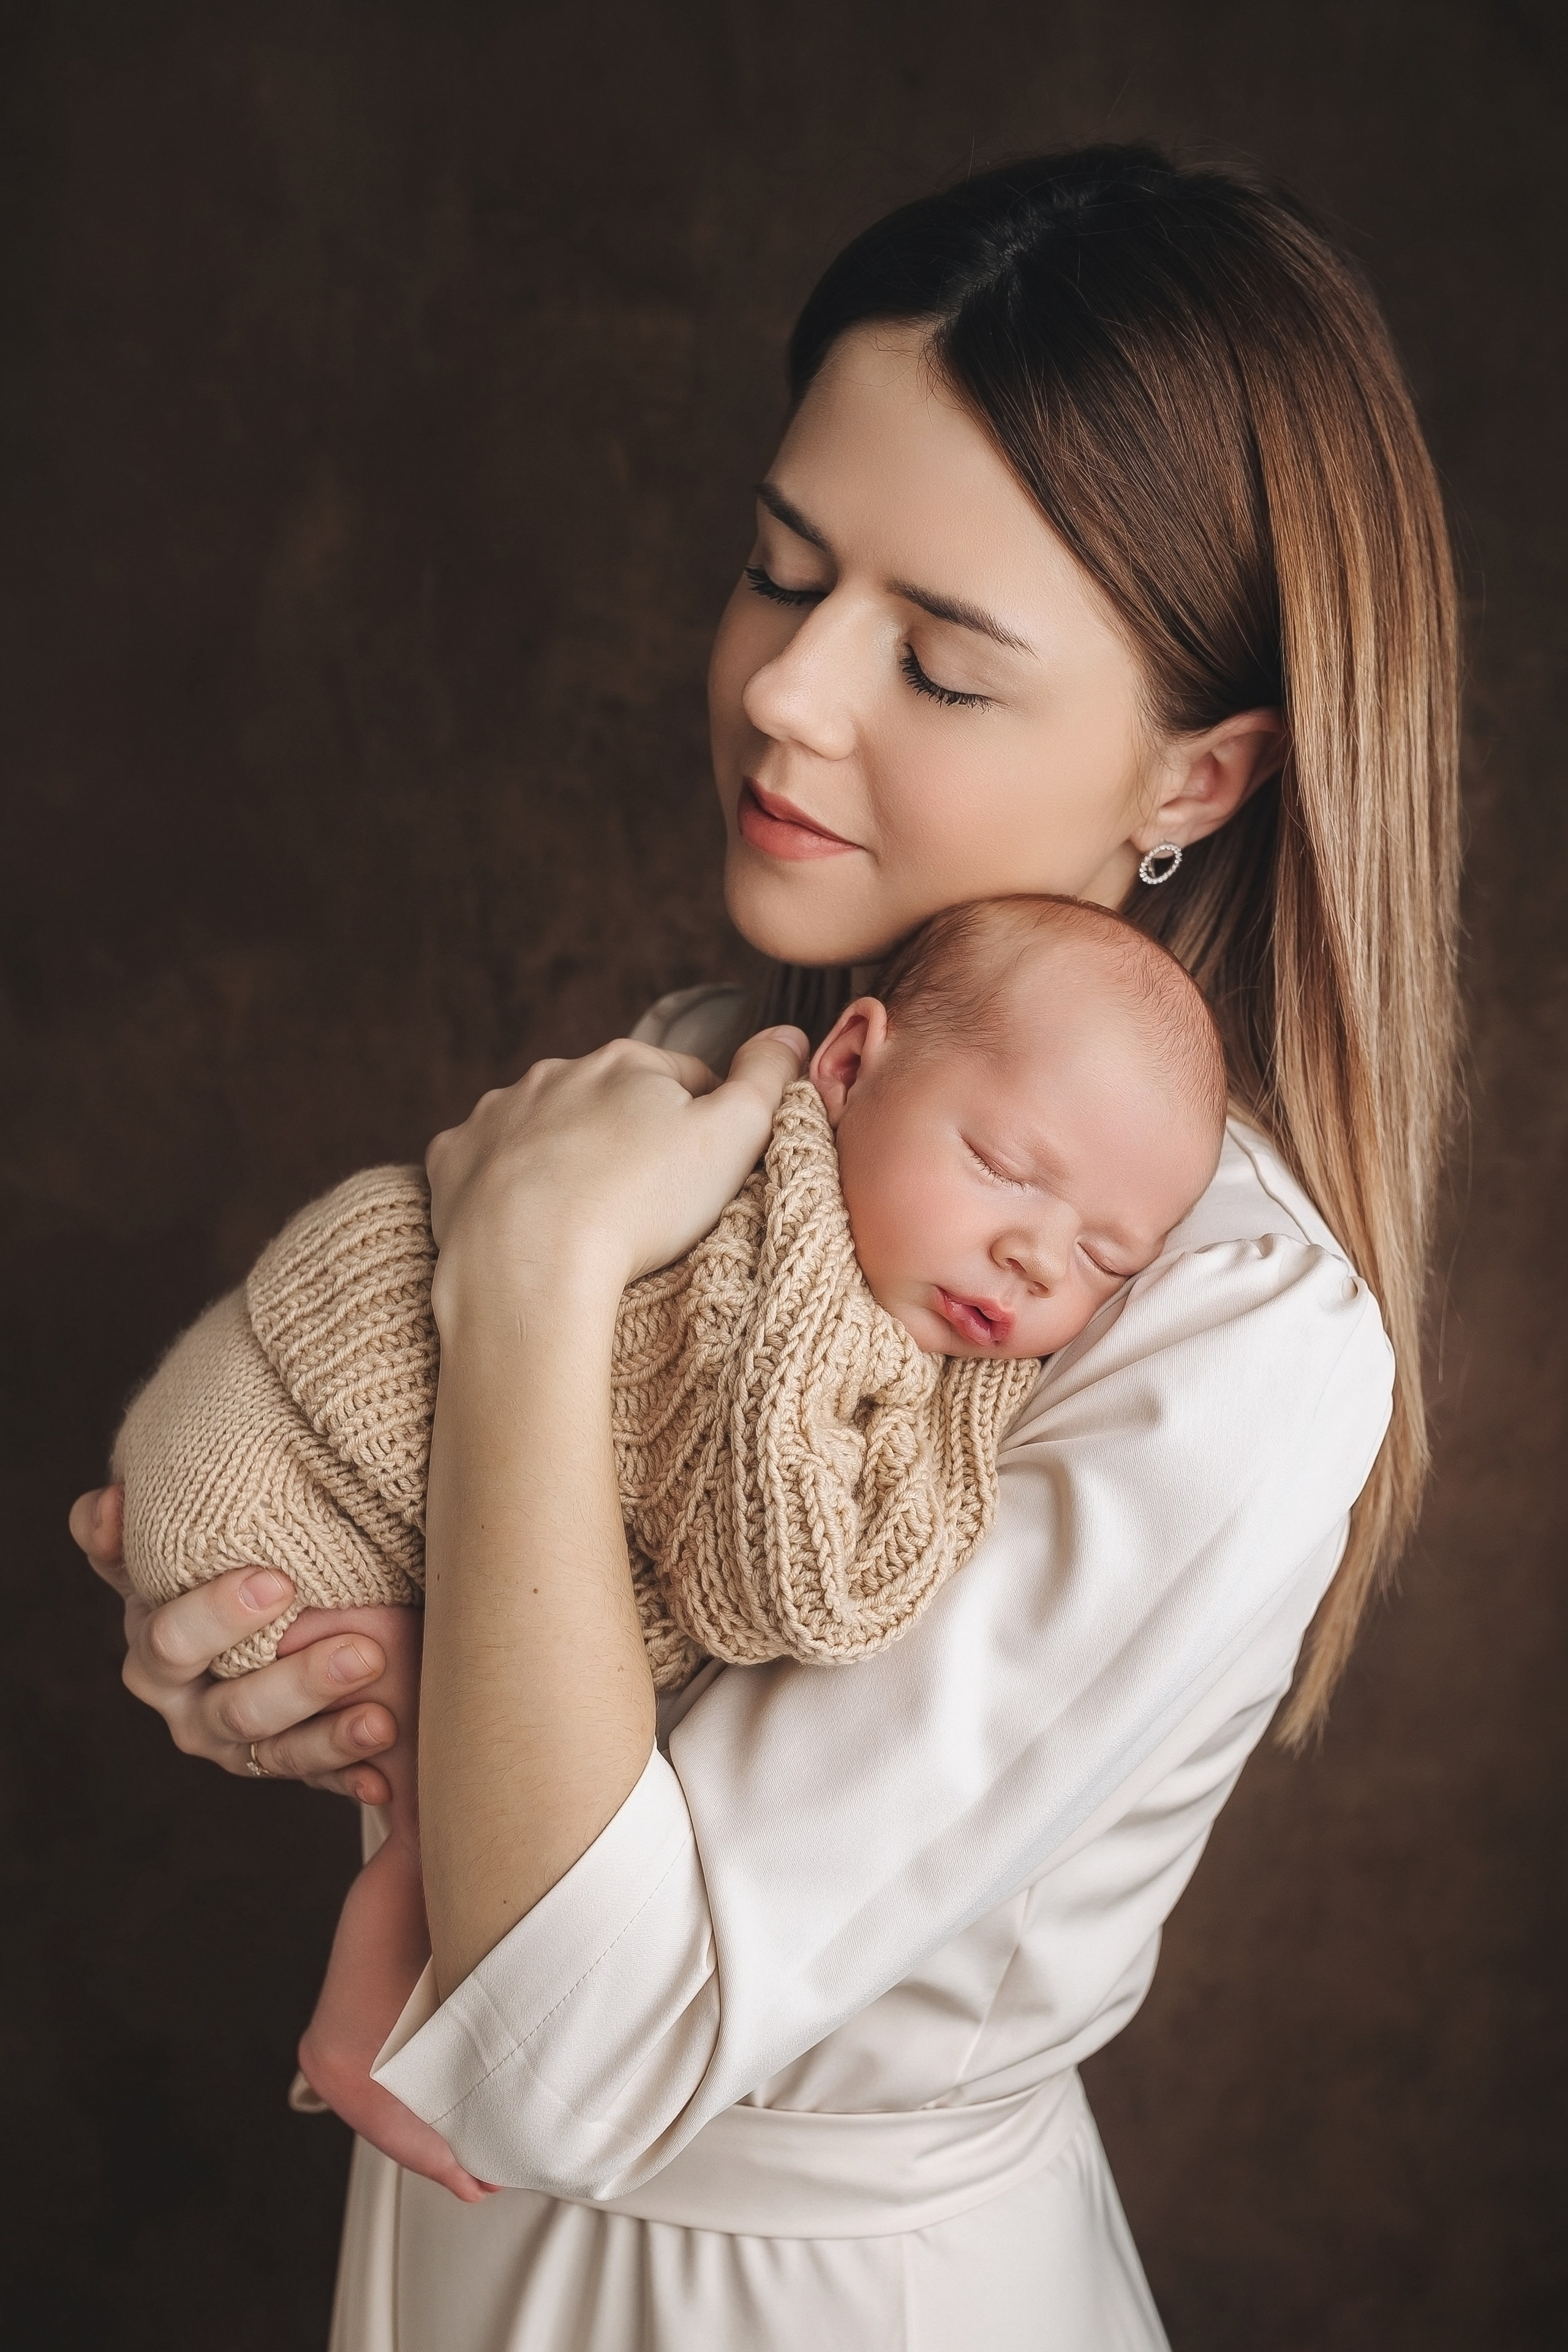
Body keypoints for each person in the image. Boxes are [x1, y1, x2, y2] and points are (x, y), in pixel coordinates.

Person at [72, 144, 1458, 2350]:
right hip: (440, 2244)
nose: (789, 697)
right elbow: (530, 1699)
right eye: (778, 569)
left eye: (945, 660)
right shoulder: (734, 1079)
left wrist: (524, 1282)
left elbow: (573, 2045)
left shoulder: (1235, 1345)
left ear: (1196, 775)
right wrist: (287, 1643)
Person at [108, 894, 1229, 2206]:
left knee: (479, 1736)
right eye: (999, 1164)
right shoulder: (784, 1244)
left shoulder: (1192, 1318)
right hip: (282, 1470)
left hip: (262, 1475)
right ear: (851, 1065)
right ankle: (360, 2025)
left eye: (1106, 1257)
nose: (1036, 1256)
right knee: (445, 1747)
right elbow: (765, 1582)